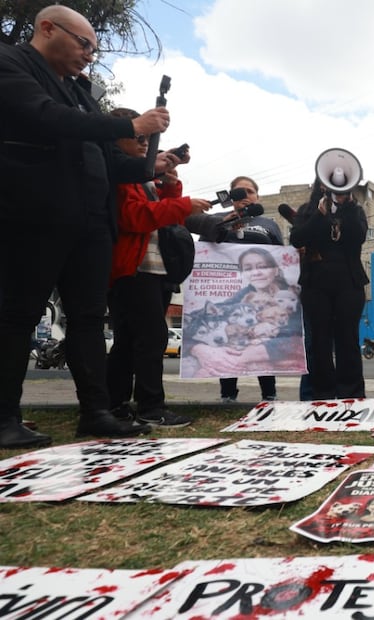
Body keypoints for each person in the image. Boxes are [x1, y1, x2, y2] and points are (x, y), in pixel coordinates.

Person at [0, 5, 177, 447]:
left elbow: (105, 156)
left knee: (88, 320)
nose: (88, 55)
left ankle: (96, 412)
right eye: (84, 44)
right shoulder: (12, 64)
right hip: (35, 215)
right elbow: (46, 117)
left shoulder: (79, 91)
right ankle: (4, 417)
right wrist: (130, 124)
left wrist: (150, 165)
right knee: (19, 315)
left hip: (92, 224)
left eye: (93, 49)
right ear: (46, 28)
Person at [105, 108, 211, 428]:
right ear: (116, 138)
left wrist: (169, 185)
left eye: (148, 139)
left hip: (148, 268)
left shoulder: (138, 176)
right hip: (135, 269)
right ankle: (151, 406)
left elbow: (164, 219)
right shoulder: (121, 176)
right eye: (138, 137)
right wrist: (182, 203)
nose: (144, 144)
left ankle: (117, 403)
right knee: (150, 337)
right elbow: (135, 217)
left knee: (129, 339)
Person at [187, 176, 284, 402]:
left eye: (250, 191)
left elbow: (280, 255)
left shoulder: (269, 224)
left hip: (258, 294)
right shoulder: (218, 219)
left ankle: (269, 394)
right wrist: (225, 223)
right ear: (231, 197)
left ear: (257, 197)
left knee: (260, 337)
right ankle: (228, 395)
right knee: (228, 338)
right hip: (226, 291)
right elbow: (204, 250)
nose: (245, 196)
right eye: (239, 192)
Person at [289, 177, 368, 400]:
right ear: (321, 185)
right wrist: (319, 215)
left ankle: (351, 393)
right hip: (316, 283)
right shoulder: (308, 210)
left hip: (349, 283)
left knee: (348, 339)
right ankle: (322, 393)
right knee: (320, 341)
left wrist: (349, 206)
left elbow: (358, 236)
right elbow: (297, 238)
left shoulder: (356, 211)